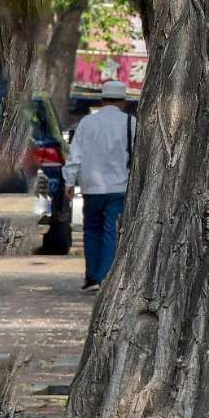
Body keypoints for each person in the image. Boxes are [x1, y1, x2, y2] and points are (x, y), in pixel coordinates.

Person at [70, 84, 135, 289]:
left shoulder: (87, 123)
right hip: (119, 186)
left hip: (91, 187)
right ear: (123, 101)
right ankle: (105, 277)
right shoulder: (130, 123)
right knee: (111, 232)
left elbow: (75, 155)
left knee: (91, 230)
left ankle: (92, 275)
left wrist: (69, 182)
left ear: (102, 99)